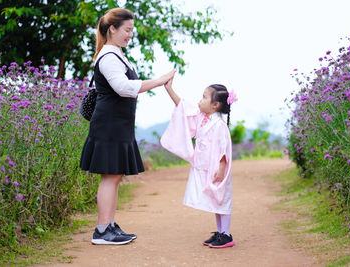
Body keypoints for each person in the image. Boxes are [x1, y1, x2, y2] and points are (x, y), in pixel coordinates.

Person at [80, 8, 175, 245]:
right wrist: (160, 80)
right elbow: (124, 87)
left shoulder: (118, 54)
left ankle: (109, 225)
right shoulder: (109, 57)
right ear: (112, 29)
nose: (130, 35)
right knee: (110, 176)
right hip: (109, 125)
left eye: (132, 30)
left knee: (115, 174)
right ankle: (102, 230)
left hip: (118, 125)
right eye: (127, 30)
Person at [160, 78, 237, 248]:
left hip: (217, 169)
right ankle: (220, 232)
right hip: (205, 167)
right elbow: (183, 107)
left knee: (222, 200)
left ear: (215, 105)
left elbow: (224, 150)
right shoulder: (203, 118)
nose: (199, 101)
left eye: (204, 97)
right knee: (215, 200)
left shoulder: (219, 125)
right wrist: (169, 89)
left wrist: (221, 168)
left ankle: (227, 234)